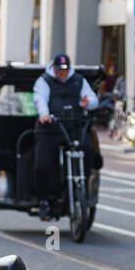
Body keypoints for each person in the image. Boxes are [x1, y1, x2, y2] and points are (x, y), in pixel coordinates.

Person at [32, 54, 99, 221]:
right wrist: (44, 114)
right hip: (51, 128)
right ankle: (44, 200)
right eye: (59, 70)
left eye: (65, 70)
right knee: (43, 163)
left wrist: (87, 102)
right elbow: (40, 99)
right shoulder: (44, 81)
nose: (62, 73)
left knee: (90, 150)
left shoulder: (78, 80)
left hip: (74, 127)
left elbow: (93, 100)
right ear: (53, 68)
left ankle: (83, 186)